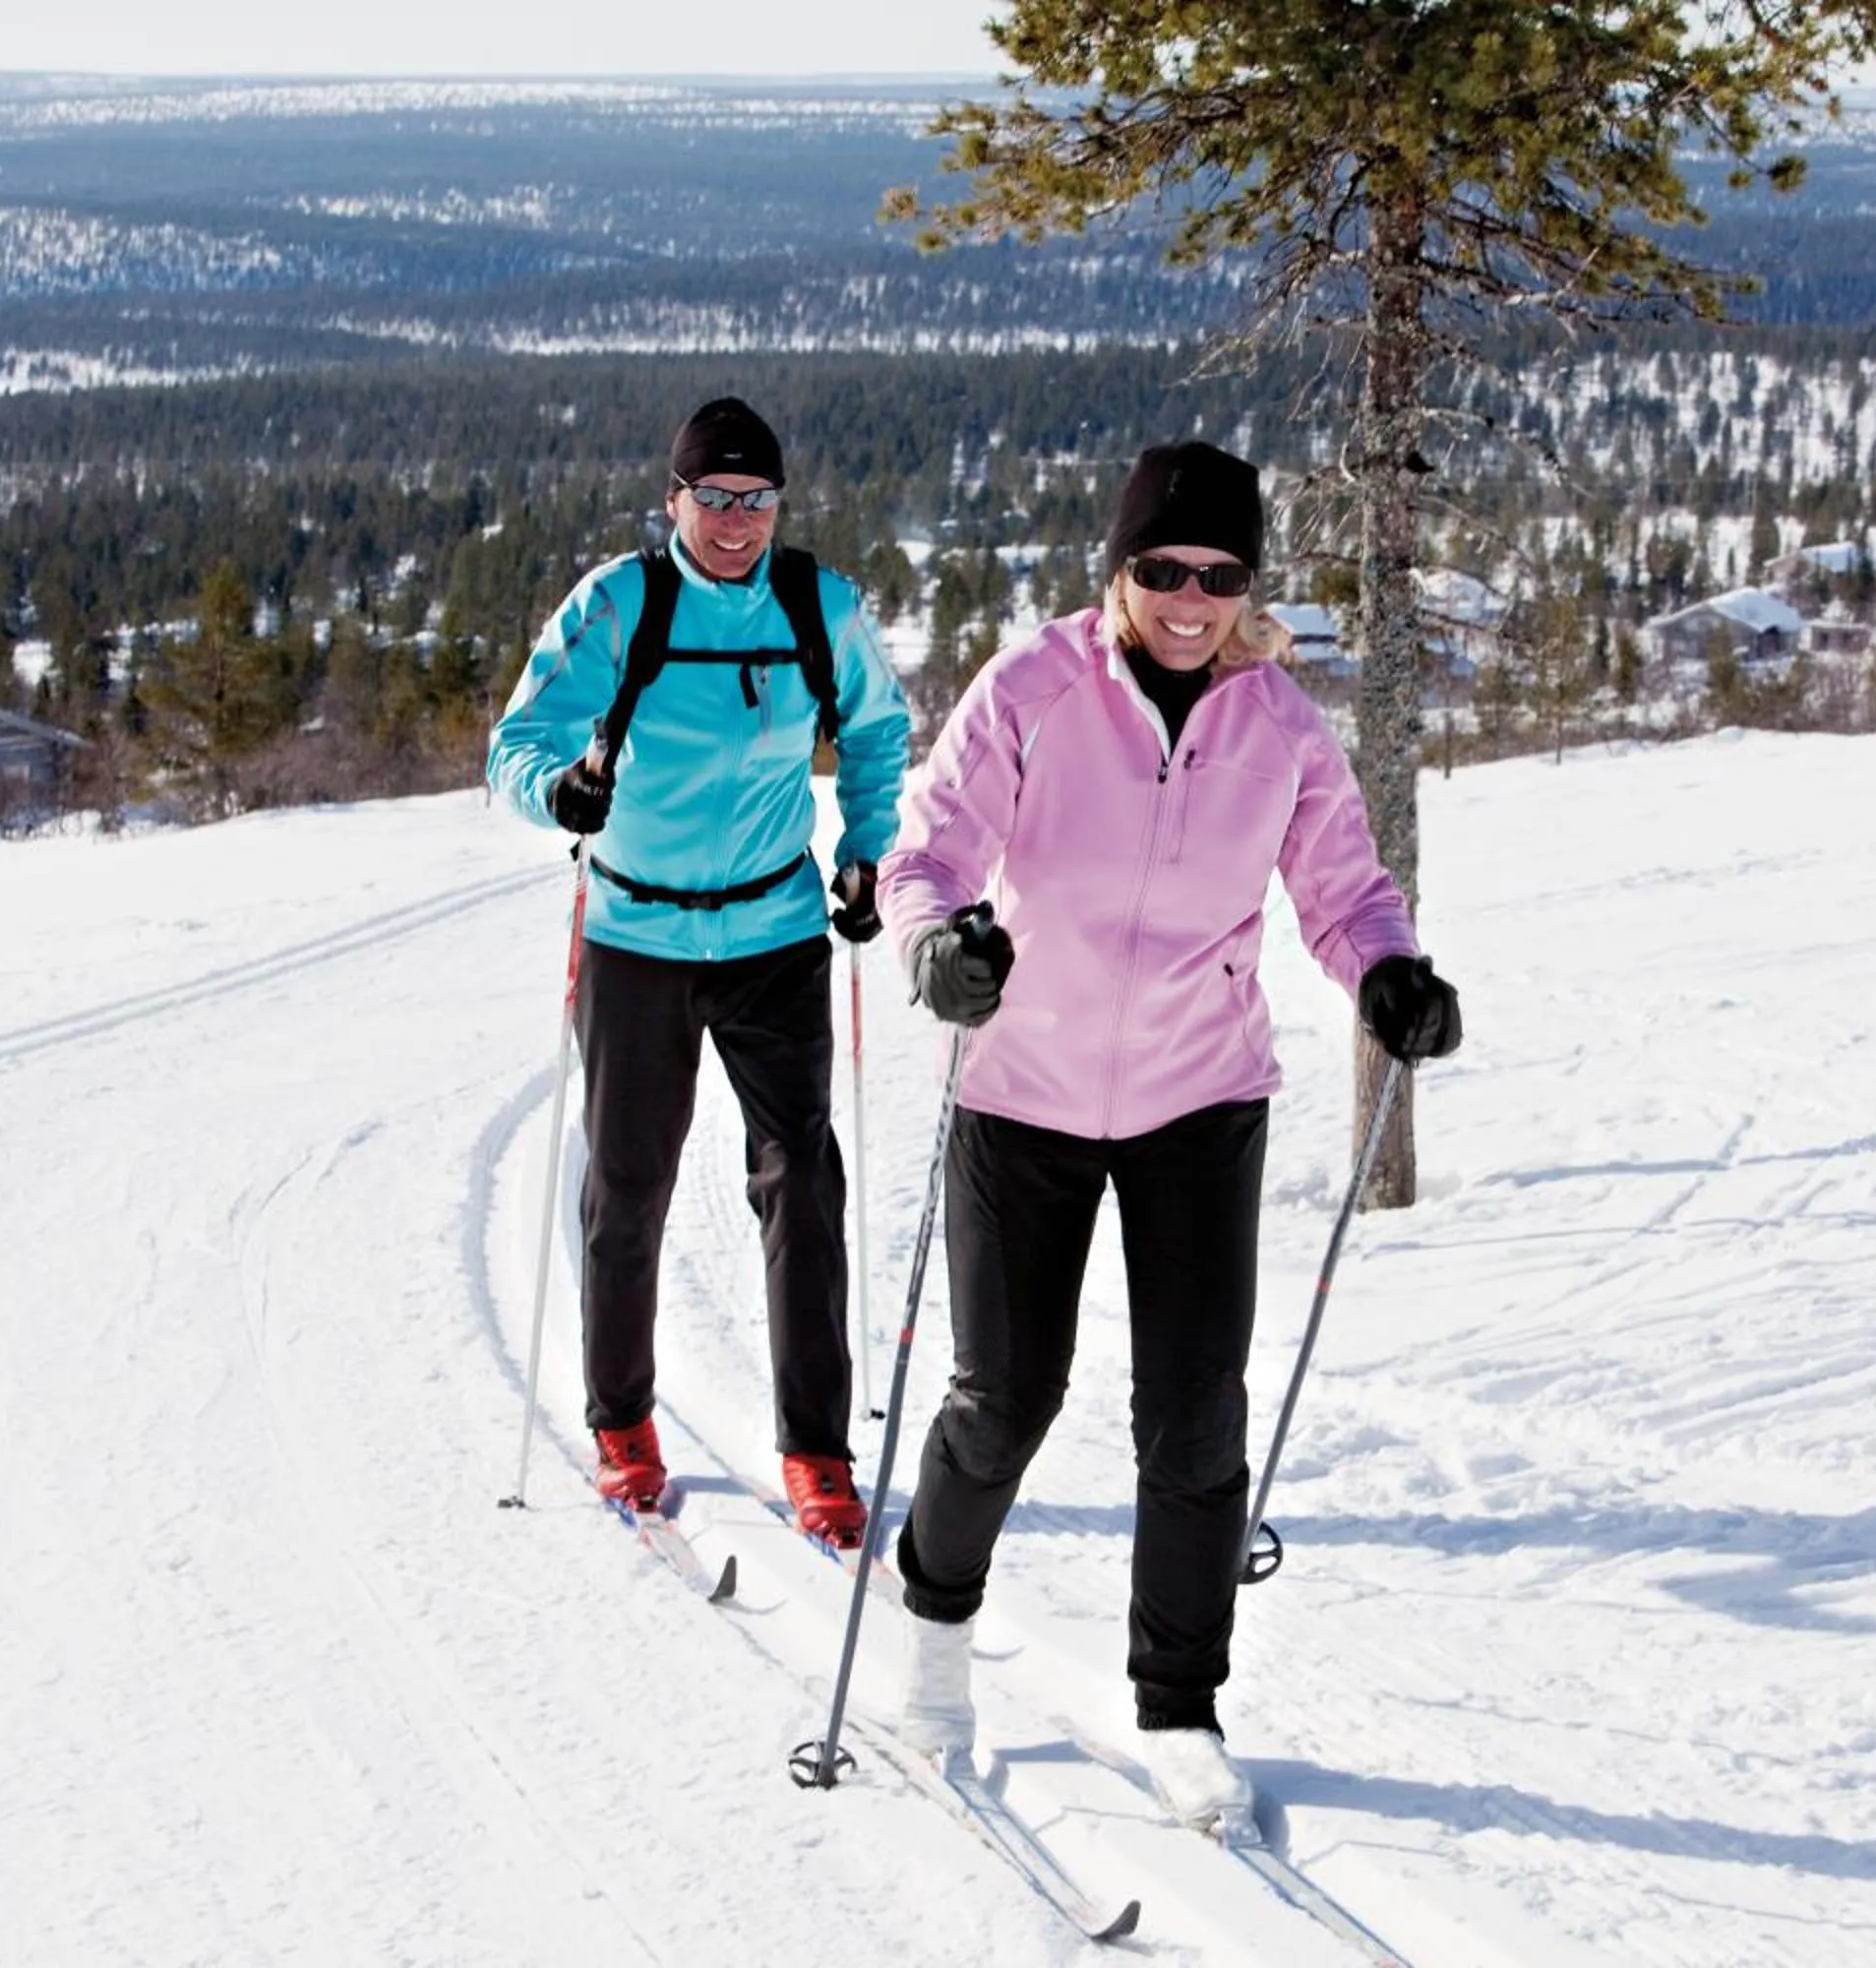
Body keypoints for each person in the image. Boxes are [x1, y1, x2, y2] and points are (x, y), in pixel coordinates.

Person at [873, 440, 1464, 1825]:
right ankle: (935, 1639)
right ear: (1119, 569)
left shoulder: (1281, 726)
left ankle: (1180, 1706)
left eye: (1220, 574)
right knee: (1005, 1399)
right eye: (1163, 570)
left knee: (1195, 1420)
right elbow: (929, 855)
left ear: (1249, 584)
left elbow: (1345, 892)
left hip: (1201, 1100)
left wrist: (1389, 971)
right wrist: (937, 945)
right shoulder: (1031, 689)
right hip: (1024, 1091)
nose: (1191, 598)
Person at [488, 396, 911, 1547]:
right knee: (629, 1184)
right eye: (714, 496)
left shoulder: (819, 604)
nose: (736, 519)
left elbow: (878, 729)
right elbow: (516, 745)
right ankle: (621, 1420)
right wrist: (557, 794)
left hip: (775, 930)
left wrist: (865, 848)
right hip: (638, 936)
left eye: (757, 498)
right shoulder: (620, 604)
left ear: (781, 503)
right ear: (673, 499)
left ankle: (817, 1450)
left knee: (803, 1184)